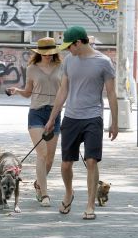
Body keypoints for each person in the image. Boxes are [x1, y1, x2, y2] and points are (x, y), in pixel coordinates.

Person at [45, 26, 118, 219]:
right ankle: (69, 193)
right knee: (66, 165)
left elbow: (111, 93)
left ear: (78, 42)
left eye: (70, 46)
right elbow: (63, 91)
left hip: (93, 117)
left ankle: (90, 205)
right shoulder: (69, 61)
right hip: (71, 117)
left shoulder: (103, 62)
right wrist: (52, 118)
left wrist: (114, 122)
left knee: (91, 161)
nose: (68, 50)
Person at [7, 37, 62, 207]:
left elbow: (66, 90)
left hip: (55, 113)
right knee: (42, 153)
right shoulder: (31, 69)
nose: (48, 56)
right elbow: (29, 92)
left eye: (51, 53)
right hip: (36, 113)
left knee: (50, 158)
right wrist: (17, 91)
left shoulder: (62, 67)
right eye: (44, 53)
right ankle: (45, 194)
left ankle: (39, 184)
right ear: (39, 53)